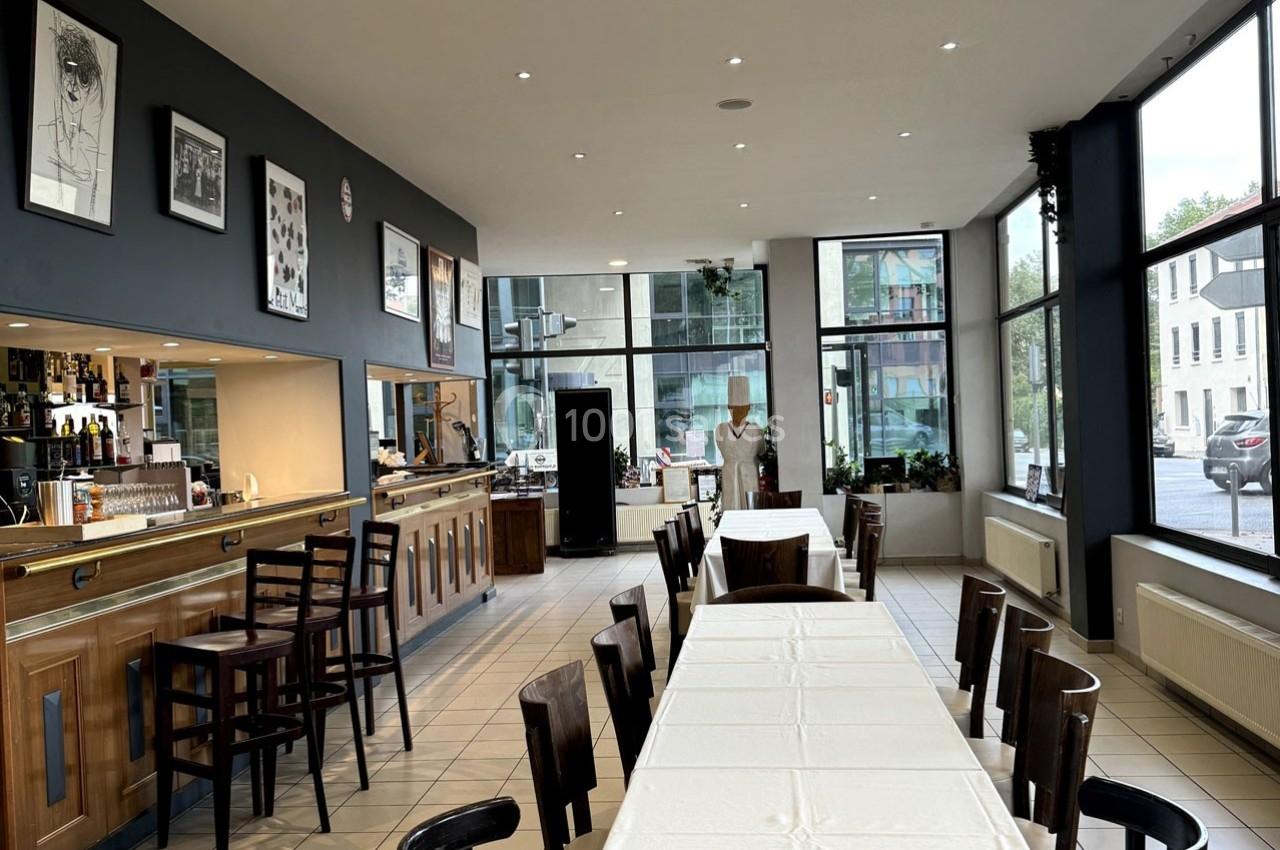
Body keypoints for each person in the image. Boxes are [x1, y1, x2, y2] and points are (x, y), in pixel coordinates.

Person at [714, 375, 763, 511]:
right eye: (736, 408)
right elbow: (761, 451)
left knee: (748, 514)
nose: (737, 412)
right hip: (739, 478)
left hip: (748, 479)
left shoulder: (722, 430)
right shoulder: (722, 429)